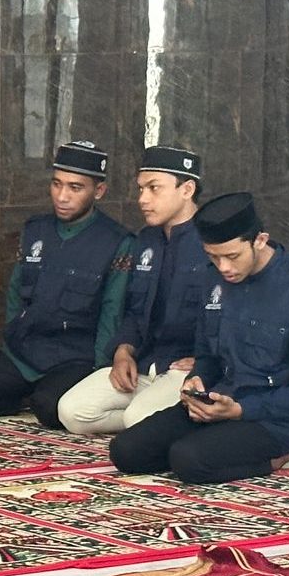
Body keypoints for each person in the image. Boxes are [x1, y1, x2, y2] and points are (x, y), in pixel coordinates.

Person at [109, 192, 289, 484]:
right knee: (126, 451)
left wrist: (241, 410)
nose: (224, 268)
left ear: (260, 240)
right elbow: (207, 355)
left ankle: (274, 458)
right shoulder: (213, 278)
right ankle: (213, 443)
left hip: (272, 419)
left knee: (188, 460)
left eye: (232, 256)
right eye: (213, 257)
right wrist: (196, 381)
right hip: (220, 403)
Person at [0, 140, 133, 429]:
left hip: (75, 357)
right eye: (57, 184)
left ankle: (39, 397)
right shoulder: (36, 230)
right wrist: (13, 336)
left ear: (99, 191)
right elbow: (16, 292)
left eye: (75, 188)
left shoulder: (117, 241)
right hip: (27, 352)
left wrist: (99, 368)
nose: (62, 196)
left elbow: (112, 310)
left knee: (50, 410)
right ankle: (23, 397)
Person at [59, 146, 213, 435]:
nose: (142, 199)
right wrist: (123, 351)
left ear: (187, 189)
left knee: (137, 419)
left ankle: (185, 415)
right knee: (72, 412)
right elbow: (135, 310)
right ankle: (158, 419)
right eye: (141, 189)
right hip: (145, 362)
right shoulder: (146, 240)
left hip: (187, 369)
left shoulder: (214, 243)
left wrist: (209, 360)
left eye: (154, 188)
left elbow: (233, 314)